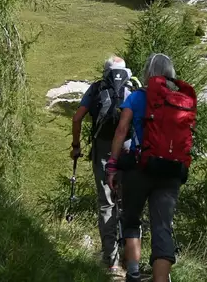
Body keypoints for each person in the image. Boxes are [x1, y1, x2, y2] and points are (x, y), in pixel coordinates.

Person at [106, 53, 189, 282]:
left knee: (131, 219)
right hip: (171, 171)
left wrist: (112, 166)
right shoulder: (180, 99)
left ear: (147, 73)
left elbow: (121, 130)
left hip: (140, 168)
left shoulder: (136, 97)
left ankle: (132, 274)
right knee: (163, 227)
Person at [70, 56, 135, 278]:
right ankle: (132, 260)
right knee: (128, 205)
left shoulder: (97, 88)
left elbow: (77, 118)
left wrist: (76, 146)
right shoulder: (132, 90)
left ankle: (112, 263)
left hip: (103, 152)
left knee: (106, 204)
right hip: (127, 153)